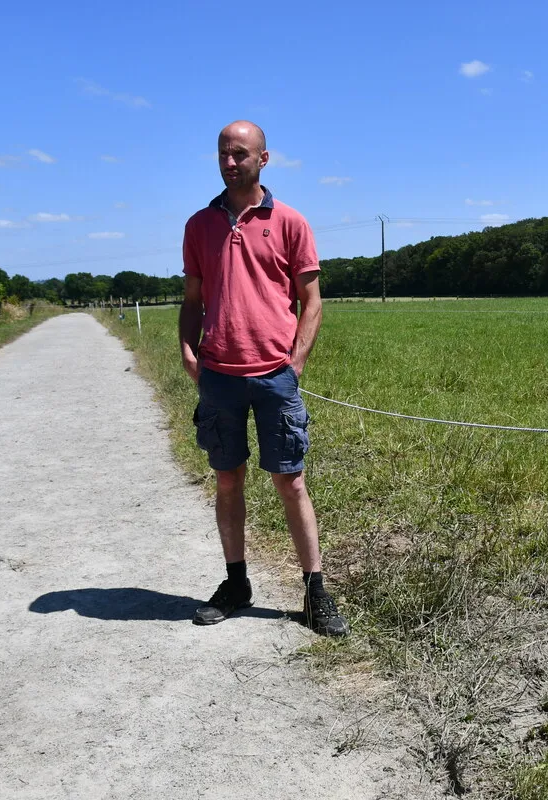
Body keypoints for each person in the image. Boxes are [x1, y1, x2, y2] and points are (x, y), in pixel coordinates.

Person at [178, 120, 348, 636]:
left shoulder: (291, 222)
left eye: (240, 154)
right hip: (220, 376)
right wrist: (189, 351)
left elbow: (312, 301)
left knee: (290, 480)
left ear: (263, 159)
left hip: (275, 374)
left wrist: (295, 364)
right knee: (228, 479)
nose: (231, 162)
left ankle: (316, 591)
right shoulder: (198, 226)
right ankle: (236, 583)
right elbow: (192, 301)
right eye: (223, 154)